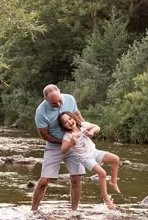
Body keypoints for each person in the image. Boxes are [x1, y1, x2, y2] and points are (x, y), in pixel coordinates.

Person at [32, 85, 85, 213]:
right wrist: (64, 142)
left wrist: (84, 130)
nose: (58, 104)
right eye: (54, 103)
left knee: (76, 178)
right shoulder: (41, 112)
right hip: (54, 146)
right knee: (44, 180)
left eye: (59, 100)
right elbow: (45, 136)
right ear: (45, 99)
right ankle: (33, 210)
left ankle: (74, 211)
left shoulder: (70, 99)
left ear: (60, 92)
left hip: (73, 143)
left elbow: (77, 116)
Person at [59, 112, 120, 211]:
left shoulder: (83, 125)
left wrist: (92, 131)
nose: (69, 122)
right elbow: (62, 149)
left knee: (115, 159)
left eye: (70, 119)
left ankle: (113, 182)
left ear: (73, 118)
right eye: (65, 122)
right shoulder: (68, 136)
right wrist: (70, 143)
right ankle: (107, 200)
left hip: (94, 152)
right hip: (85, 158)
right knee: (102, 173)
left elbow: (97, 126)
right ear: (63, 126)